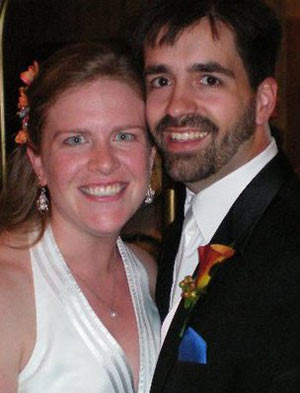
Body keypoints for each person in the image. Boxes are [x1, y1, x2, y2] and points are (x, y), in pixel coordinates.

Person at [133, 0, 300, 392]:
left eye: (208, 79)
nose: (176, 106)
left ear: (263, 101)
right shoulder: (184, 230)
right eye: (161, 81)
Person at [0, 42, 160, 393]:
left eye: (123, 136)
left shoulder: (147, 273)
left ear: (150, 157)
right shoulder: (7, 292)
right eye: (76, 139)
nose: (104, 162)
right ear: (38, 163)